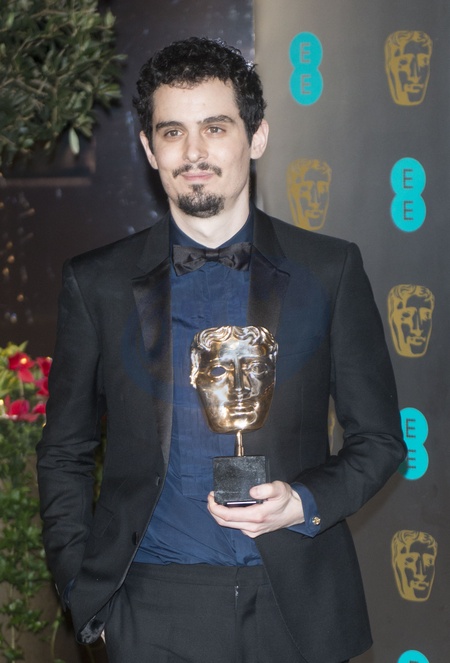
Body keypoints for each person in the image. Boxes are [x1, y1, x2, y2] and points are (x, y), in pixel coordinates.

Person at [37, 37, 406, 663]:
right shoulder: (95, 282)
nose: (194, 152)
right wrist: (83, 591)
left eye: (215, 127)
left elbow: (380, 440)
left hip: (298, 606)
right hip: (150, 607)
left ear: (256, 137)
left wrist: (303, 502)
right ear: (150, 149)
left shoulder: (330, 269)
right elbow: (64, 451)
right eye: (172, 132)